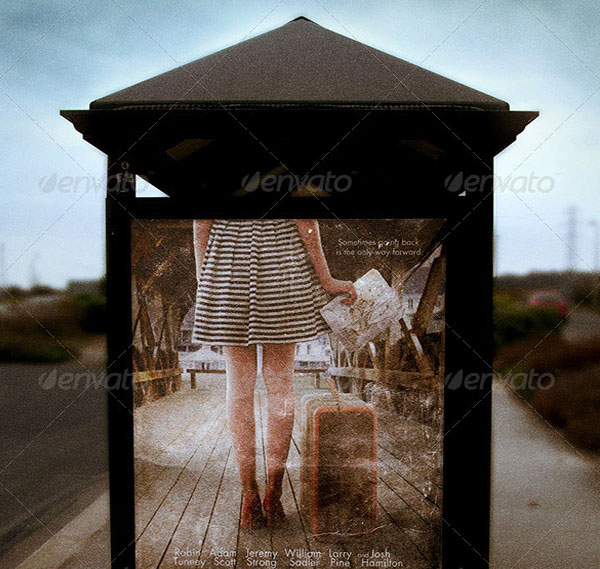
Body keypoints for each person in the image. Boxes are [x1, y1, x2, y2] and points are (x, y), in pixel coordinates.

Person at [192, 219, 356, 530]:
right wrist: (327, 279)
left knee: (238, 389)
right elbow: (305, 219)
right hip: (283, 264)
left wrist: (205, 276)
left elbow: (202, 219)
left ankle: (248, 496)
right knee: (281, 386)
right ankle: (274, 494)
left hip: (227, 263)